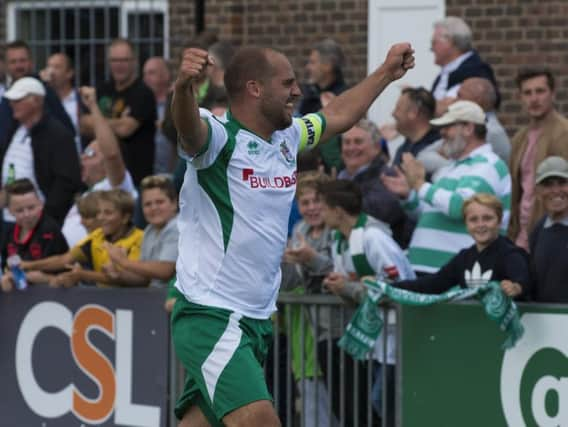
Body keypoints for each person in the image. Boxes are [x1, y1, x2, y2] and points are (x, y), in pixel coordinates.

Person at [170, 42, 415, 427]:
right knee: (261, 421)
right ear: (255, 89)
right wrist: (183, 86)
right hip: (212, 314)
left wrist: (386, 71)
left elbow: (338, 113)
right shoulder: (218, 138)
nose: (297, 92)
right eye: (287, 83)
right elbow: (187, 129)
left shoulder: (287, 138)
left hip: (256, 319)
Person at [318, 179, 415, 427]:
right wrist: (339, 286)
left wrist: (349, 287)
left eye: (323, 206)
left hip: (396, 337)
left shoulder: (374, 237)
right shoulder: (339, 242)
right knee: (376, 405)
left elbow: (399, 287)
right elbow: (355, 290)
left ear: (338, 211)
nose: (320, 212)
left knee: (384, 404)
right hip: (373, 339)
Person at [382, 100, 511, 275]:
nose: (441, 133)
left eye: (448, 126)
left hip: (458, 276)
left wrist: (420, 185)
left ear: (468, 128)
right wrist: (409, 195)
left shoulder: (489, 165)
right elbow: (430, 213)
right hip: (430, 273)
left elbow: (461, 207)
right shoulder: (449, 168)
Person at [279, 171, 335, 427]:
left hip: (335, 329)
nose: (311, 208)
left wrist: (310, 258)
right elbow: (292, 283)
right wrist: (282, 262)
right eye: (305, 202)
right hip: (305, 335)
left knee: (341, 404)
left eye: (317, 201)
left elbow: (338, 272)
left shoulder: (336, 230)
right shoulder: (299, 229)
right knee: (313, 402)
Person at [394, 193, 528, 298]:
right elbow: (432, 284)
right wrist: (389, 287)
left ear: (499, 221)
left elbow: (525, 281)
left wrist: (516, 287)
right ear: (466, 225)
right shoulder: (464, 258)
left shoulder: (510, 254)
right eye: (473, 220)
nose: (480, 225)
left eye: (487, 218)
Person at [61, 86, 138, 246]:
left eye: (90, 154)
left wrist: (93, 106)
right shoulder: (86, 194)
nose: (82, 158)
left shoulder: (117, 186)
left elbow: (111, 155)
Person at [0, 77, 82, 225]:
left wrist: (46, 219)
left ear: (37, 101)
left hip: (39, 223)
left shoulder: (58, 135)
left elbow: (67, 182)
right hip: (9, 219)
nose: (12, 104)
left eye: (18, 100)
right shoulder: (14, 129)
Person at [21, 189, 143, 288]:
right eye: (99, 212)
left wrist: (82, 275)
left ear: (125, 218)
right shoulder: (97, 236)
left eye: (108, 213)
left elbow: (135, 280)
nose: (101, 217)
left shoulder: (140, 238)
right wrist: (28, 265)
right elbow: (64, 260)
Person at [81, 38, 156, 186]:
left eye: (124, 60)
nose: (119, 65)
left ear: (134, 61)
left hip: (134, 179)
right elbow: (83, 124)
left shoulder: (143, 93)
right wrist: (117, 121)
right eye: (114, 60)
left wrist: (97, 120)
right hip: (101, 179)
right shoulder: (102, 90)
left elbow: (125, 129)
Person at [508, 67, 568, 252]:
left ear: (552, 93)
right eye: (527, 93)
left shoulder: (564, 133)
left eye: (540, 91)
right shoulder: (520, 138)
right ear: (520, 98)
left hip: (555, 235)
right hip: (522, 235)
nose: (534, 99)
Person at [338, 118, 413, 247]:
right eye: (347, 142)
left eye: (358, 142)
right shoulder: (340, 177)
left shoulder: (389, 175)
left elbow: (383, 212)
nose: (351, 148)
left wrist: (336, 205)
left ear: (377, 147)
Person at [104, 174, 178, 288]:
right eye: (148, 204)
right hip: (155, 299)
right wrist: (119, 275)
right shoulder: (149, 230)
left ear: (174, 204)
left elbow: (165, 271)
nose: (154, 208)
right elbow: (144, 279)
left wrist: (124, 262)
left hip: (179, 301)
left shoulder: (177, 227)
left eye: (160, 202)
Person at [0, 178, 69, 292]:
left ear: (41, 204)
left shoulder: (49, 229)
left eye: (31, 208)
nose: (27, 214)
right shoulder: (9, 233)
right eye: (19, 210)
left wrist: (29, 270)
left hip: (56, 292)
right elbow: (6, 266)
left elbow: (61, 264)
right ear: (10, 211)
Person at [0, 40, 75, 139]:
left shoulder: (44, 91)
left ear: (31, 62)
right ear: (6, 66)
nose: (18, 66)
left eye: (22, 60)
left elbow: (67, 131)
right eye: (13, 62)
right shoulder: (6, 95)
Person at [430, 17, 500, 115]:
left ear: (450, 42)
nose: (431, 48)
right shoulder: (447, 72)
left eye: (434, 42)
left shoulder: (477, 71)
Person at [529, 156, 568, 302]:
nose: (556, 190)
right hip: (545, 319)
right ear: (538, 192)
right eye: (548, 185)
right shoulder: (537, 230)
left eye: (562, 183)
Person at [457, 77, 510, 162]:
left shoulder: (490, 131)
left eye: (459, 96)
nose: (455, 101)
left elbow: (461, 163)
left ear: (477, 99)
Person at [40, 52, 84, 154]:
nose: (51, 71)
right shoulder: (42, 99)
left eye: (57, 67)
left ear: (70, 73)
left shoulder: (81, 99)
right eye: (49, 66)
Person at [391, 87, 441, 168]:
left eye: (398, 109)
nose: (392, 114)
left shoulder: (438, 147)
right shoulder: (403, 149)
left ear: (413, 112)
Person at [143, 56, 177, 174]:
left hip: (171, 172)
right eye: (145, 74)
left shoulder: (175, 103)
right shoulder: (142, 104)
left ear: (166, 75)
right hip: (146, 171)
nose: (146, 78)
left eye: (151, 73)